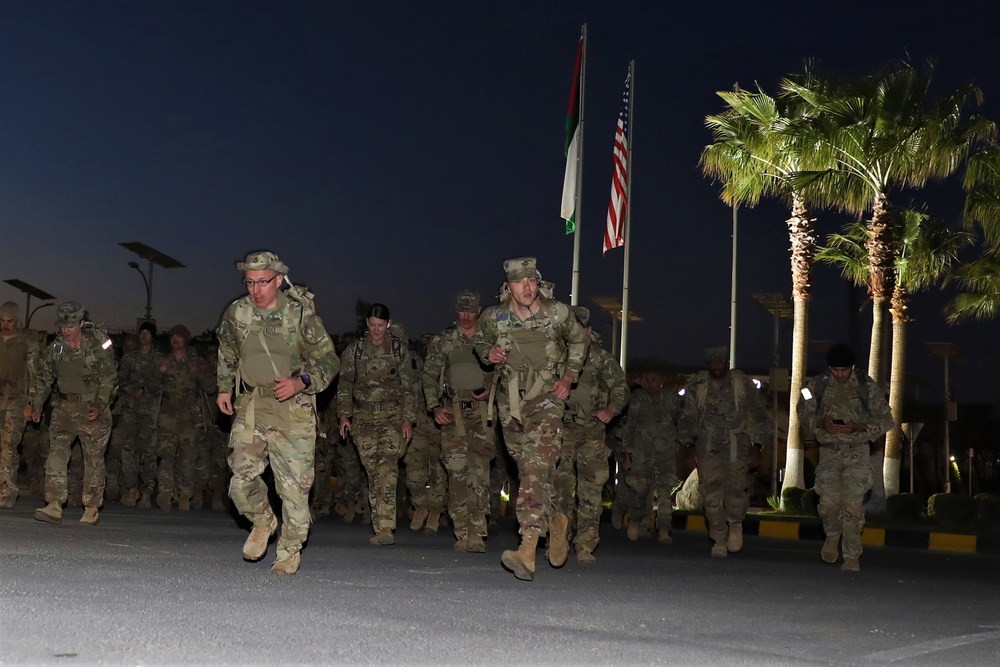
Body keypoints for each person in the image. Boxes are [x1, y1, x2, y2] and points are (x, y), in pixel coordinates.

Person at [216, 251, 339, 575]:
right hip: (254, 406)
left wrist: (303, 381)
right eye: (250, 283)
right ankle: (263, 520)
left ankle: (288, 552)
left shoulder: (300, 315)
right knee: (240, 477)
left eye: (263, 283)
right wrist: (224, 387)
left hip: (293, 409)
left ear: (279, 280)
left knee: (294, 491)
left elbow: (329, 360)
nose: (256, 290)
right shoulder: (237, 313)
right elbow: (227, 349)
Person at [472, 257, 587, 581]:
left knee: (535, 469)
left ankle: (527, 548)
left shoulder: (557, 313)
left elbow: (580, 339)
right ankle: (556, 522)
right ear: (508, 287)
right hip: (511, 406)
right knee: (529, 472)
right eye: (519, 282)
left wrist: (569, 377)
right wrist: (488, 353)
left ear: (538, 282)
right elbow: (480, 342)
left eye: (531, 281)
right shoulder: (495, 317)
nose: (527, 287)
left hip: (548, 401)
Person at [798, 343, 893, 572]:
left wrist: (859, 427)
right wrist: (820, 422)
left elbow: (886, 420)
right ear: (829, 368)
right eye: (835, 370)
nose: (840, 374)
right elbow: (802, 411)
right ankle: (832, 534)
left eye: (844, 370)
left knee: (853, 505)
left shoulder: (867, 386)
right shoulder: (816, 384)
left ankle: (852, 555)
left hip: (857, 453)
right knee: (828, 503)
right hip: (828, 452)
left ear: (852, 367)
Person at [552, 306, 629, 564]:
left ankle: (585, 544)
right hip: (561, 432)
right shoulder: (555, 357)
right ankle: (559, 539)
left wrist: (611, 409)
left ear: (589, 331)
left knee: (590, 492)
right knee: (560, 490)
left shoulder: (600, 358)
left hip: (592, 434)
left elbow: (621, 387)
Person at [29, 302, 117, 525]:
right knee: (56, 454)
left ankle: (91, 507)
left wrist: (99, 404)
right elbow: (45, 377)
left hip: (92, 408)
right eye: (62, 326)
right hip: (64, 408)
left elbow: (109, 377)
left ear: (80, 323)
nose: (66, 331)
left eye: (70, 326)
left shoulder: (96, 346)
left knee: (94, 460)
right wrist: (37, 405)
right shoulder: (56, 347)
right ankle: (54, 504)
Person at [337, 304, 417, 546]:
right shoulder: (355, 350)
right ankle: (380, 522)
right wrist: (344, 415)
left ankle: (385, 527)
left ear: (388, 323)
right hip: (363, 420)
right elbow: (344, 384)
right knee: (372, 471)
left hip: (392, 417)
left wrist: (408, 419)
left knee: (387, 468)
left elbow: (409, 386)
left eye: (380, 325)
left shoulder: (398, 350)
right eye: (371, 325)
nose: (376, 330)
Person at [423, 291, 496, 552]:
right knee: (456, 473)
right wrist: (434, 407)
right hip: (452, 411)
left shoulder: (489, 338)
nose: (466, 317)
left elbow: (506, 371)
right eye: (462, 311)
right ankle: (461, 530)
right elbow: (429, 374)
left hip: (481, 413)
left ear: (479, 311)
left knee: (479, 473)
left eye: (471, 311)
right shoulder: (445, 339)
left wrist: (492, 390)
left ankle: (477, 530)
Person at [680, 345, 770, 558]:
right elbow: (686, 418)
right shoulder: (698, 388)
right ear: (708, 364)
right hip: (707, 445)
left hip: (737, 444)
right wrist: (688, 446)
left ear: (727, 362)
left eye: (721, 362)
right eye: (713, 362)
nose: (718, 366)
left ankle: (735, 524)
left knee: (736, 490)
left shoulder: (743, 386)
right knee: (710, 493)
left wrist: (757, 447)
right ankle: (719, 538)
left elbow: (760, 416)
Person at [146, 325, 215, 512]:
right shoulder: (164, 361)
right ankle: (165, 493)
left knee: (187, 459)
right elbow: (151, 388)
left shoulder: (197, 362)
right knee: (166, 456)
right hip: (167, 417)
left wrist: (198, 373)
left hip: (190, 419)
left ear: (186, 339)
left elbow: (211, 387)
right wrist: (159, 372)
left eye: (179, 337)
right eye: (172, 337)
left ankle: (185, 495)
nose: (175, 340)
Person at [622, 366, 682, 544]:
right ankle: (635, 521)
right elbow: (629, 428)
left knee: (665, 493)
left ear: (661, 381)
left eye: (653, 379)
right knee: (640, 491)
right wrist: (627, 456)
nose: (650, 384)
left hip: (666, 455)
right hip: (642, 454)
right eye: (646, 380)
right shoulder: (637, 400)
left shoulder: (672, 400)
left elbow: (683, 422)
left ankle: (664, 529)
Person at [403, 334, 446, 535]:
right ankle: (420, 505)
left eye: (430, 346)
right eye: (424, 346)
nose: (426, 350)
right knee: (414, 470)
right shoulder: (411, 365)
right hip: (418, 422)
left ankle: (435, 512)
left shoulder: (443, 364)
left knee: (439, 470)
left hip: (439, 425)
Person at [115, 321, 160, 508]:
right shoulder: (129, 357)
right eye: (141, 332)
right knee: (127, 449)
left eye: (148, 333)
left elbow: (164, 383)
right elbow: (120, 379)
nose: (144, 335)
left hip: (150, 411)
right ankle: (131, 487)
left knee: (149, 452)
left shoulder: (159, 358)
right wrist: (132, 391)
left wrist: (148, 391)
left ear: (152, 337)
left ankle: (147, 492)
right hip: (130, 410)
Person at [0, 302, 39, 509]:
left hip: (17, 399)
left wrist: (31, 403)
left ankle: (7, 493)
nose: (6, 325)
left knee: (8, 445)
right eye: (2, 321)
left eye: (10, 321)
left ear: (17, 321)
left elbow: (35, 376)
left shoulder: (27, 342)